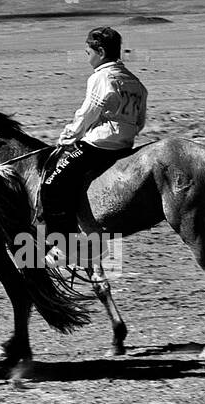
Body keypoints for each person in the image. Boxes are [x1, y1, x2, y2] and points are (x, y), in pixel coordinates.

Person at [40, 26, 147, 242]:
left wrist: (67, 138)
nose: (87, 56)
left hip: (98, 146)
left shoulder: (101, 78)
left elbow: (86, 114)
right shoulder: (136, 82)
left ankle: (64, 241)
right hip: (125, 146)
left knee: (52, 185)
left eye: (88, 51)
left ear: (100, 52)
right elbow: (140, 122)